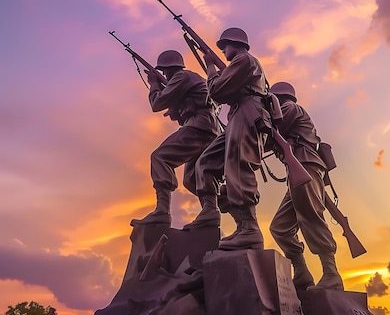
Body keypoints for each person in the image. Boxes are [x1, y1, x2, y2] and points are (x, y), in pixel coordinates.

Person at [196, 27, 271, 250]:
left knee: (238, 166)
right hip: (238, 115)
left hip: (247, 115)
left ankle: (249, 229)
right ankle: (214, 212)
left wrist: (211, 67)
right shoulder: (241, 63)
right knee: (206, 162)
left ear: (235, 44)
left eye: (224, 46)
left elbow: (217, 91)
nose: (223, 51)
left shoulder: (244, 60)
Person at [131, 50, 221, 228]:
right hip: (207, 128)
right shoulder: (187, 79)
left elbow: (157, 104)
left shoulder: (181, 77)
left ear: (169, 69)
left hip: (199, 127)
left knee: (160, 157)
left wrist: (154, 84)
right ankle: (211, 210)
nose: (165, 75)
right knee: (191, 179)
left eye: (165, 71)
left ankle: (162, 211)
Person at [268, 81, 343, 291]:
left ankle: (331, 274)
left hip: (305, 165)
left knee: (310, 216)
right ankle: (301, 272)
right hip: (298, 169)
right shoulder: (289, 110)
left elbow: (274, 126)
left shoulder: (290, 108)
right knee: (280, 227)